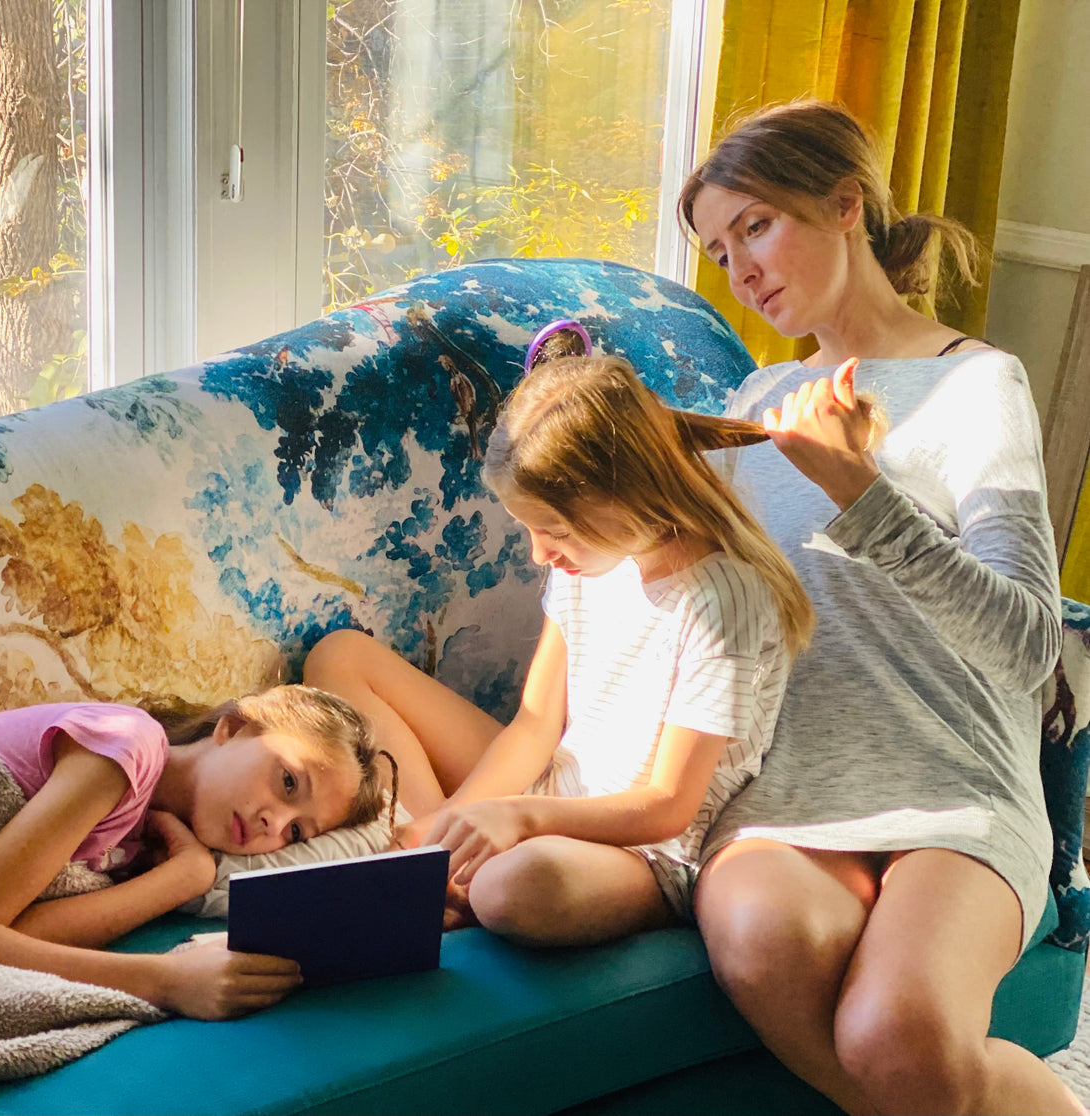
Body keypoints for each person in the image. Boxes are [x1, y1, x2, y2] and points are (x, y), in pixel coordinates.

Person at [680, 99, 1081, 1115]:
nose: (742, 270)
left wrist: (860, 492)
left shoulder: (975, 383)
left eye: (756, 226)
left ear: (845, 204)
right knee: (760, 943)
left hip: (957, 781)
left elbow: (1029, 644)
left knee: (899, 1034)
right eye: (721, 253)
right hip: (785, 789)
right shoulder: (755, 399)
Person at [305, 347, 814, 946]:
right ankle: (433, 861)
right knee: (340, 658)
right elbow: (535, 725)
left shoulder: (720, 601)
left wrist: (519, 818)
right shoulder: (587, 564)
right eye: (529, 529)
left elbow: (669, 804)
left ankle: (456, 874)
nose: (538, 553)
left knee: (515, 887)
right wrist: (451, 822)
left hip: (642, 849)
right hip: (553, 792)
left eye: (556, 532)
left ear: (627, 497)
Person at [0, 684, 397, 1021]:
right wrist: (168, 980)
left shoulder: (139, 844)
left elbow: (11, 933)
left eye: (295, 832)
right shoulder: (127, 746)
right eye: (288, 781)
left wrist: (181, 880)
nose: (274, 824)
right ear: (234, 727)